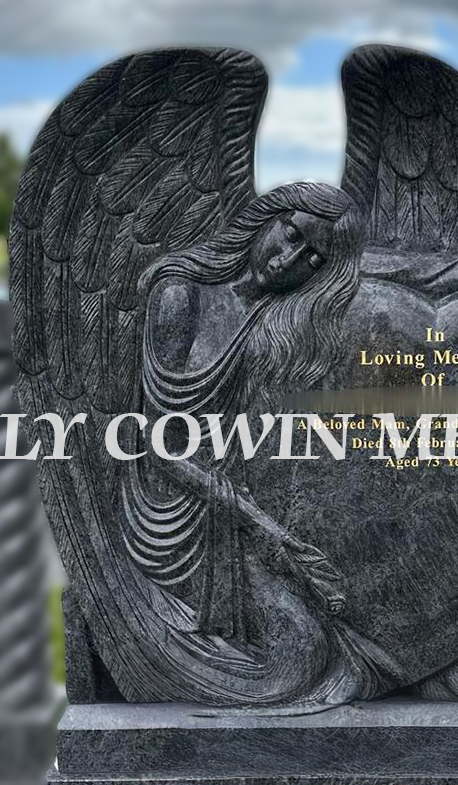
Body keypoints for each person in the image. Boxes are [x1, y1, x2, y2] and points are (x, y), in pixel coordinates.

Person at [122, 182, 364, 647]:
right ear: (268, 217)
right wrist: (263, 525)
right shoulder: (181, 296)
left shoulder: (275, 322)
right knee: (303, 647)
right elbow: (158, 447)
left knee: (320, 644)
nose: (288, 261)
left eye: (314, 259)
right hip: (168, 519)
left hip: (232, 509)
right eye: (291, 235)